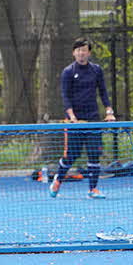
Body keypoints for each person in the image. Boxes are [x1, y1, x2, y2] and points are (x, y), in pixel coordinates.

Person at [49, 38, 116, 199]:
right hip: (74, 122)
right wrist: (72, 116)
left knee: (94, 154)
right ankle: (58, 180)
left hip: (93, 119)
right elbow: (65, 96)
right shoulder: (68, 72)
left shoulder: (96, 70)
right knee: (71, 155)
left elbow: (103, 92)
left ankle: (93, 189)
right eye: (78, 50)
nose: (81, 53)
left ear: (89, 53)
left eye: (84, 50)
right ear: (74, 53)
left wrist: (109, 111)